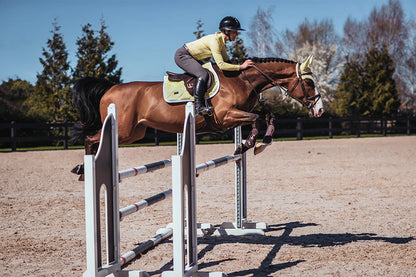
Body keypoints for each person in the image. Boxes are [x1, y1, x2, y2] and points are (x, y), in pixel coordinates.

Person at [174, 16, 254, 115]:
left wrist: (243, 64)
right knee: (203, 74)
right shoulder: (215, 41)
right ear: (226, 31)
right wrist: (241, 67)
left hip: (192, 57)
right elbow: (221, 65)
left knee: (209, 72)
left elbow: (227, 61)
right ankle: (198, 107)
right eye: (235, 31)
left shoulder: (221, 43)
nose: (237, 34)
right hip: (182, 56)